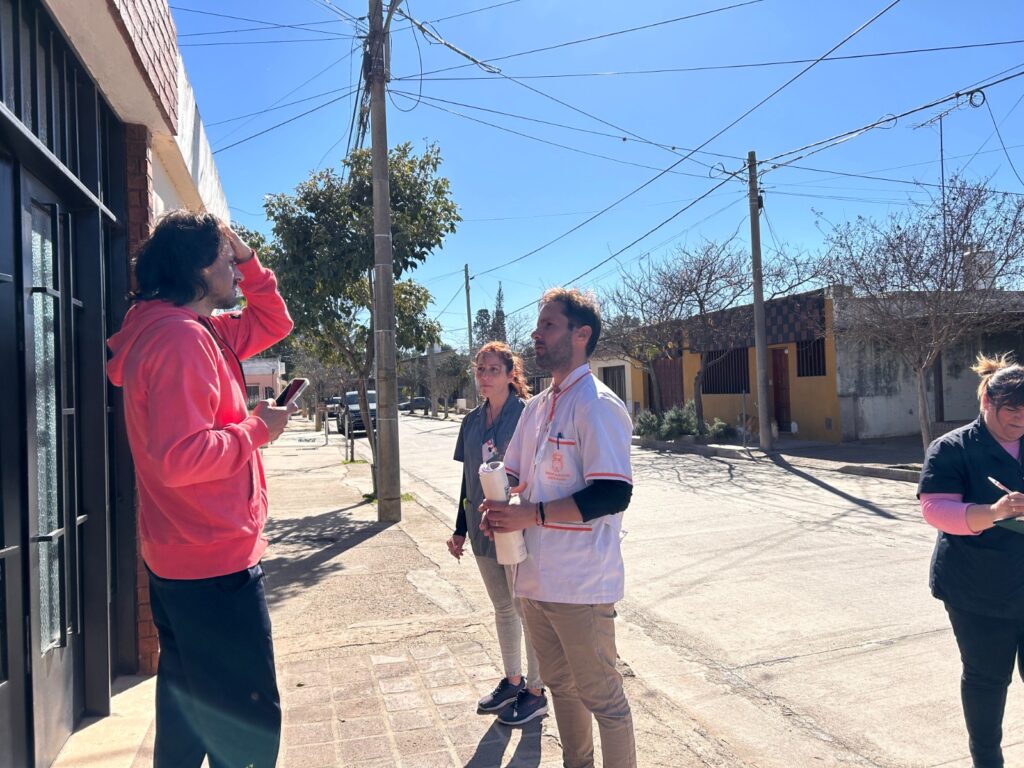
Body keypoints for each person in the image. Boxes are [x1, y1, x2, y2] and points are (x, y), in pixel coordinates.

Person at [106, 210, 295, 768]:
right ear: (195, 267)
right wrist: (259, 430)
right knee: (249, 725)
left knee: (189, 715)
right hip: (213, 565)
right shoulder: (180, 340)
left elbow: (274, 320)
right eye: (224, 256)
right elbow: (178, 458)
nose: (236, 267)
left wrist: (247, 257)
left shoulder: (196, 329)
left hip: (185, 556)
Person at [481, 288, 637, 768]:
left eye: (548, 324)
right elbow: (514, 469)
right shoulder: (538, 406)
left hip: (582, 583)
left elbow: (613, 493)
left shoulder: (597, 405)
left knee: (603, 698)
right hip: (535, 579)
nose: (536, 333)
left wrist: (530, 515)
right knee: (563, 688)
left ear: (580, 334)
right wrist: (497, 499)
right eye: (539, 324)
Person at [919, 353, 1024, 768]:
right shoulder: (952, 448)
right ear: (987, 402)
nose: (1019, 419)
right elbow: (936, 510)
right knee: (987, 679)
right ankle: (987, 760)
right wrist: (994, 513)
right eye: (1011, 410)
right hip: (977, 589)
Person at [446, 342, 548, 724]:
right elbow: (467, 478)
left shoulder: (527, 416)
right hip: (480, 528)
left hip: (515, 526)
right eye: (480, 370)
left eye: (493, 369)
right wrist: (459, 529)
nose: (485, 376)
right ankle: (513, 680)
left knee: (526, 609)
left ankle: (536, 690)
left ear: (510, 374)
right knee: (503, 608)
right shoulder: (471, 421)